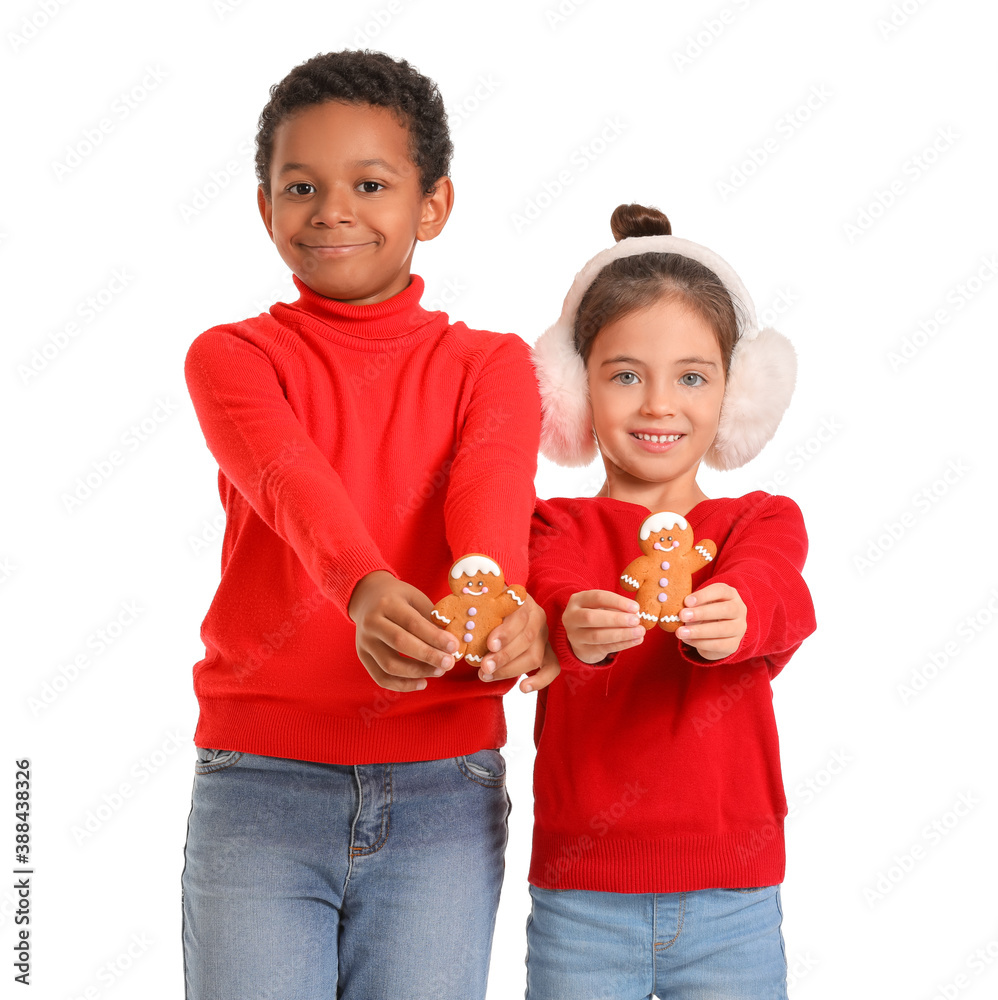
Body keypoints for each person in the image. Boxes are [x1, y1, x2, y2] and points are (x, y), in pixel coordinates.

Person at [180, 50, 556, 1000]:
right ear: (265, 209)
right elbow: (288, 482)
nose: (331, 209)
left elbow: (492, 493)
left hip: (444, 786)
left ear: (433, 206)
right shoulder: (232, 357)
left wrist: (495, 600)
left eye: (372, 183)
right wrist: (364, 586)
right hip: (259, 781)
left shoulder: (493, 363)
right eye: (299, 186)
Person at [525, 203, 816, 999]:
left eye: (692, 376)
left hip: (735, 901)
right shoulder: (552, 524)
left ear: (737, 392)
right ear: (574, 391)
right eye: (625, 375)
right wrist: (567, 624)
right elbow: (547, 595)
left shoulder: (759, 520)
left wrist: (742, 615)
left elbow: (779, 593)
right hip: (580, 902)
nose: (659, 405)